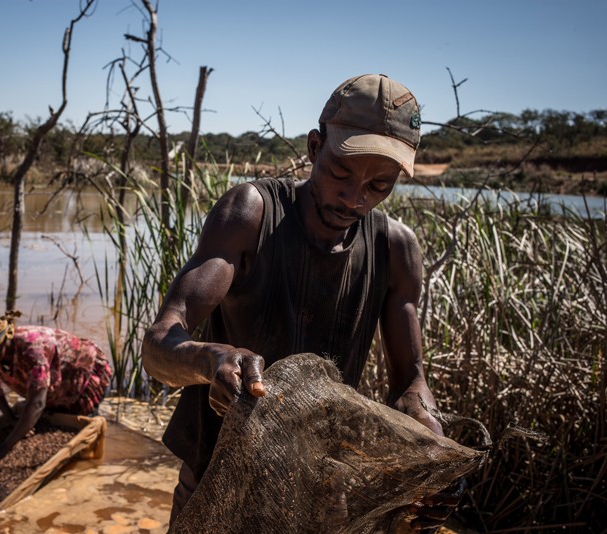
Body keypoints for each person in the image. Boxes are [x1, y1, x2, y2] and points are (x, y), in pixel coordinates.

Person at [141, 73, 464, 530]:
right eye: (340, 173)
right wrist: (211, 359)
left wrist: (434, 451)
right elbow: (158, 345)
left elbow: (410, 381)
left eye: (379, 185)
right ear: (315, 147)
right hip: (215, 479)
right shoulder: (251, 214)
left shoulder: (395, 249)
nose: (354, 199)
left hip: (318, 489)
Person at [0, 311, 112, 460]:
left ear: (2, 341)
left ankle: (89, 465)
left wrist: (7, 445)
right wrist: (11, 418)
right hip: (56, 383)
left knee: (82, 441)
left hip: (82, 376)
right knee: (48, 419)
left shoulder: (33, 349)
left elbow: (37, 404)